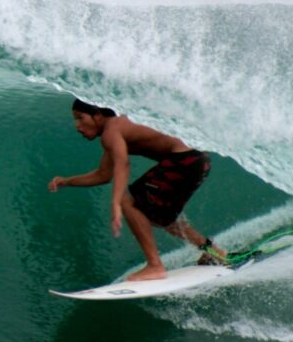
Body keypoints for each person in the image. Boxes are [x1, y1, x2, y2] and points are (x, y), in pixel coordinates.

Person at [47, 98, 225, 281]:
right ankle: (213, 252)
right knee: (162, 217)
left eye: (80, 118)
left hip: (185, 159)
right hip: (197, 160)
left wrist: (117, 202)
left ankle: (155, 266)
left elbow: (123, 164)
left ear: (98, 116)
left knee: (129, 201)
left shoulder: (112, 129)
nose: (78, 126)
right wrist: (66, 181)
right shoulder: (115, 133)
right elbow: (103, 175)